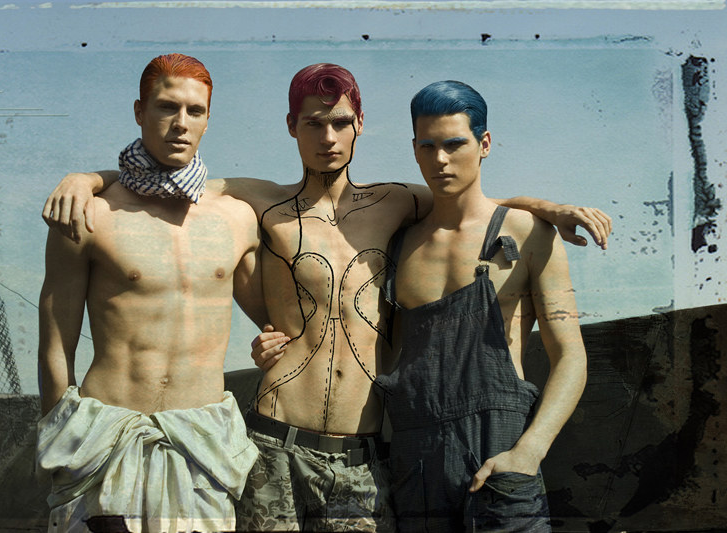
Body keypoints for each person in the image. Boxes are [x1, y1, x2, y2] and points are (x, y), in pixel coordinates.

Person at [42, 64, 610, 532]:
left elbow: (469, 198)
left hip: (362, 454)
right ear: (292, 126)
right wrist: (87, 179)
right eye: (313, 123)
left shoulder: (396, 202)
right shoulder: (258, 202)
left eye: (340, 122)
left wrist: (549, 208)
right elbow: (166, 178)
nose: (328, 138)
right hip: (273, 443)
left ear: (359, 124)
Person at [36, 53, 262, 533]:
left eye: (195, 111)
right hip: (105, 442)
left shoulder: (237, 217)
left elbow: (275, 315)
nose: (181, 123)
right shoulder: (90, 214)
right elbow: (56, 341)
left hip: (203, 447)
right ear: (140, 111)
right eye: (166, 107)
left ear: (208, 119)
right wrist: (62, 439)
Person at [371, 80, 588, 531]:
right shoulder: (399, 245)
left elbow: (571, 356)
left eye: (454, 144)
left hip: (501, 452)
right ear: (414, 150)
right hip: (416, 464)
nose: (440, 159)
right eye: (427, 146)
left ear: (484, 144)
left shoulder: (529, 233)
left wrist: (529, 451)